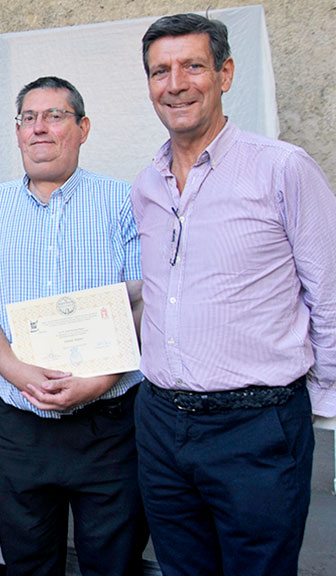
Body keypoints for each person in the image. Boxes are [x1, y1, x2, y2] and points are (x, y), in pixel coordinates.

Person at [132, 14, 336, 576]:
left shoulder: (282, 169)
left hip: (257, 426)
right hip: (160, 424)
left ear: (224, 73)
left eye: (192, 66)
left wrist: (313, 403)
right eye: (160, 71)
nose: (175, 83)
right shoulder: (146, 185)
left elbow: (331, 296)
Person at [0, 77, 148, 575]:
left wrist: (99, 380)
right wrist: (16, 371)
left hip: (109, 422)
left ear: (82, 128)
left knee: (113, 564)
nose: (40, 128)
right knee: (28, 565)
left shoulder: (125, 201)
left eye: (55, 116)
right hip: (20, 425)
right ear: (17, 133)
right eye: (28, 118)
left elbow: (148, 298)